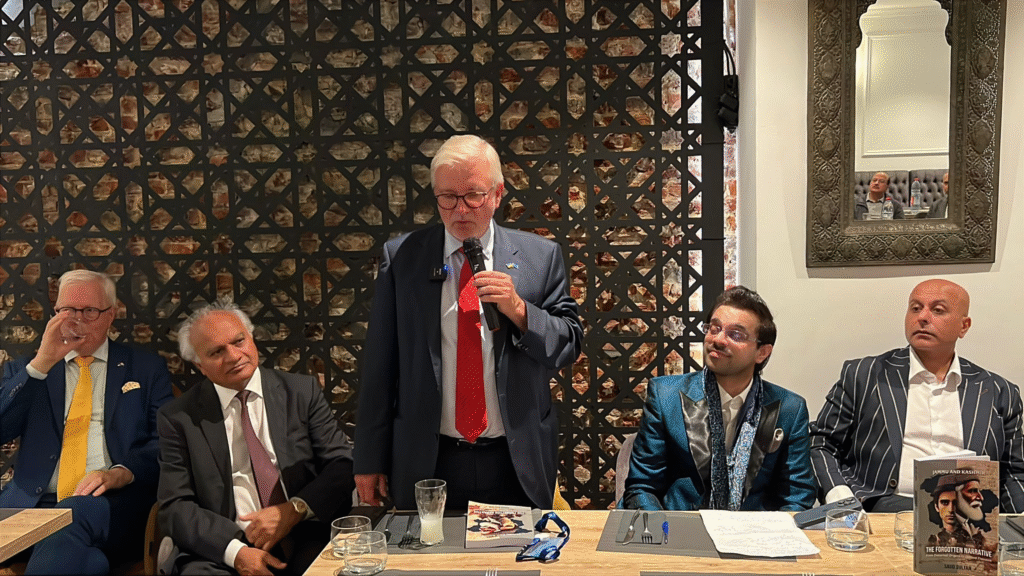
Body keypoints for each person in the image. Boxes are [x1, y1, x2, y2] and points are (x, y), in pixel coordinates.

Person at [354, 134, 583, 511]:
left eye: (473, 196)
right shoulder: (403, 258)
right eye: (447, 197)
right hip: (430, 459)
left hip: (515, 458)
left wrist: (519, 310)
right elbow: (380, 364)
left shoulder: (539, 258)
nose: (460, 210)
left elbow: (568, 345)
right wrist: (368, 459)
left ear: (497, 194)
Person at [157, 302, 354, 576]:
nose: (234, 356)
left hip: (304, 534)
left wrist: (293, 510)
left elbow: (341, 465)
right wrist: (236, 553)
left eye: (239, 341)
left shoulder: (300, 392)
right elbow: (175, 506)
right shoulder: (179, 417)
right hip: (225, 548)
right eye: (216, 352)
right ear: (199, 365)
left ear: (252, 339)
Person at [0, 270, 173, 575]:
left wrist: (121, 472)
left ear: (111, 315)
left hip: (112, 504)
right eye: (67, 310)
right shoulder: (29, 369)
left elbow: (166, 441)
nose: (76, 320)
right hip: (31, 507)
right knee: (86, 559)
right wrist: (41, 364)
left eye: (90, 311)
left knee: (73, 514)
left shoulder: (146, 369)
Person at [811, 279, 1024, 512]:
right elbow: (821, 443)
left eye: (937, 310)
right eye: (915, 308)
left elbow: (1013, 472)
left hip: (969, 516)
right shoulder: (866, 374)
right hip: (882, 508)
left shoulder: (999, 392)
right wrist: (841, 499)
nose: (922, 317)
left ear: (964, 326)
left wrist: (1019, 521)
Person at [622, 286, 816, 511]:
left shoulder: (790, 409)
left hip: (754, 529)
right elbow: (643, 487)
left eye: (736, 335)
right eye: (714, 329)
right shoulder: (666, 396)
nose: (718, 340)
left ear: (762, 352)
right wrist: (663, 530)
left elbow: (797, 498)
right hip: (680, 526)